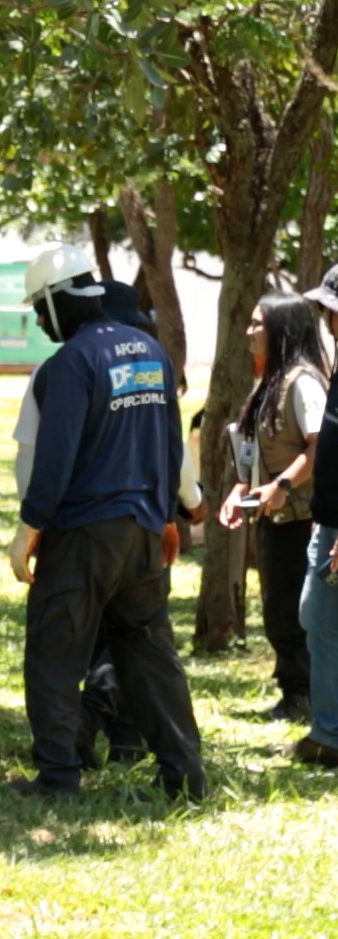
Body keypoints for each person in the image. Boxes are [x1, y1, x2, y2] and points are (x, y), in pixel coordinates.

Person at [6, 244, 205, 799]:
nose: (41, 321)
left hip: (84, 536)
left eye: (40, 309)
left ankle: (57, 779)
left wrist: (29, 528)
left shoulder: (69, 363)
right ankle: (186, 780)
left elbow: (55, 456)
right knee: (150, 658)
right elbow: (169, 444)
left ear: (56, 298)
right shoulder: (150, 351)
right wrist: (169, 515)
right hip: (143, 535)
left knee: (52, 654)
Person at [216, 291, 325, 723]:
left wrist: (281, 484)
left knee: (295, 614)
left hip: (301, 518)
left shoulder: (303, 382)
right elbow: (254, 448)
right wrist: (241, 488)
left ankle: (307, 699)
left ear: (282, 329)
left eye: (259, 323)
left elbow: (321, 447)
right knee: (278, 611)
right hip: (273, 516)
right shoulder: (271, 380)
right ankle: (293, 694)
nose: (249, 331)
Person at [292, 264, 338, 767]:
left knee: (324, 623)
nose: (326, 318)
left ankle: (329, 736)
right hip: (327, 522)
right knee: (316, 616)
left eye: (330, 308)